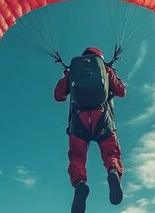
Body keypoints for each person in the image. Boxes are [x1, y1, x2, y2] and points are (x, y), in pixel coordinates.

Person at [54, 47, 126, 213]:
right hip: (102, 117)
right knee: (111, 152)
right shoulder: (106, 69)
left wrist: (67, 75)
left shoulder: (73, 70)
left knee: (77, 157)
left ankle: (80, 184)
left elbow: (58, 96)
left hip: (79, 121)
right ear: (100, 58)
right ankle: (113, 171)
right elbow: (121, 92)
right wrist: (112, 74)